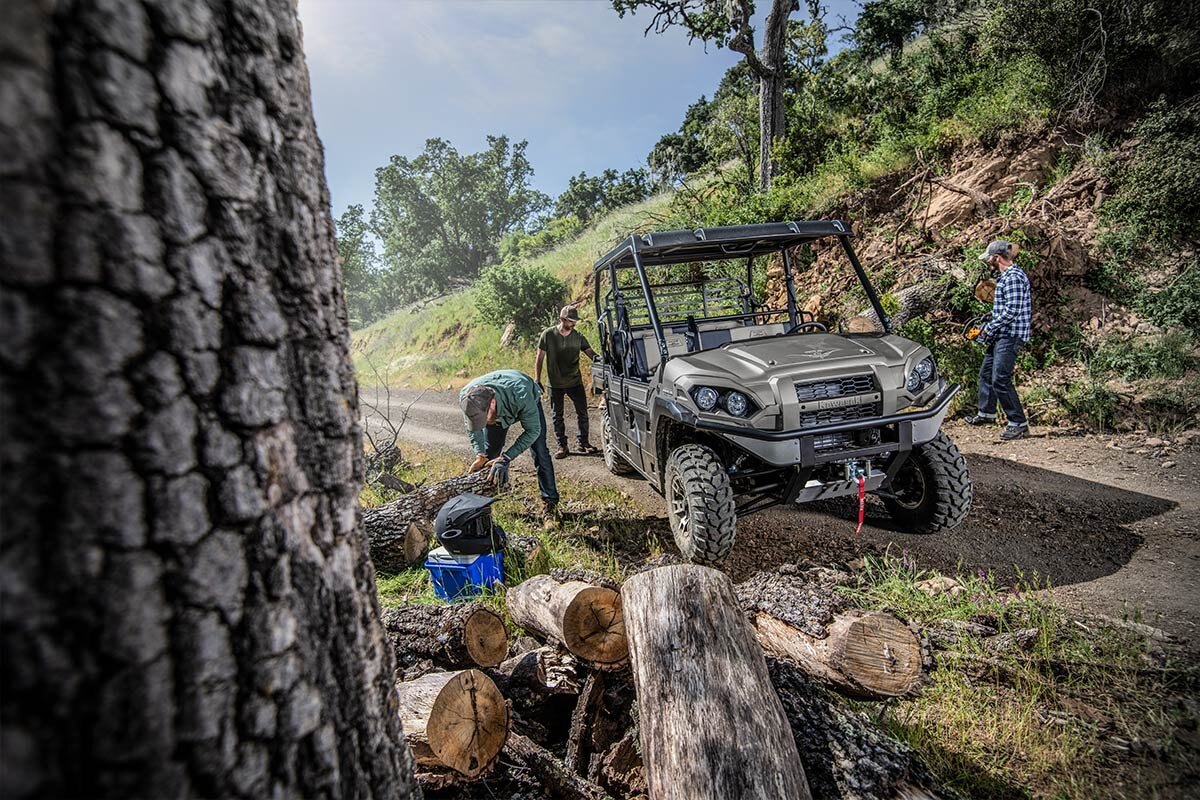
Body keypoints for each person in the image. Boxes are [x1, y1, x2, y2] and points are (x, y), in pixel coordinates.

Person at [459, 369, 560, 525]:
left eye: (484, 421)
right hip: (497, 404)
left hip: (521, 393)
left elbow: (533, 431)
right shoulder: (467, 397)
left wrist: (506, 457)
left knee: (540, 450)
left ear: (492, 404)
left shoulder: (522, 395)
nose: (483, 426)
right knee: (490, 453)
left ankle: (550, 505)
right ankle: (484, 505)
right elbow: (473, 430)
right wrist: (480, 455)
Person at [966, 240, 1032, 440]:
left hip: (1009, 335)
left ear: (997, 258)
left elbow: (1012, 310)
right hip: (1001, 334)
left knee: (1000, 379)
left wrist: (989, 328)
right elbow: (1005, 309)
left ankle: (1018, 423)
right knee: (986, 374)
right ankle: (986, 413)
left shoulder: (1013, 277)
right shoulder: (1005, 277)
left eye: (988, 259)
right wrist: (990, 321)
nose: (988, 262)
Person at [535, 305, 600, 459]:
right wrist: (537, 379)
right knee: (557, 415)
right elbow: (539, 357)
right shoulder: (548, 335)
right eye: (571, 321)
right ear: (562, 319)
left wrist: (604, 361)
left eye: (575, 321)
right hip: (555, 383)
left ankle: (583, 442)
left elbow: (591, 354)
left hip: (574, 381)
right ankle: (562, 446)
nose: (574, 324)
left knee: (583, 413)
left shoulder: (578, 336)